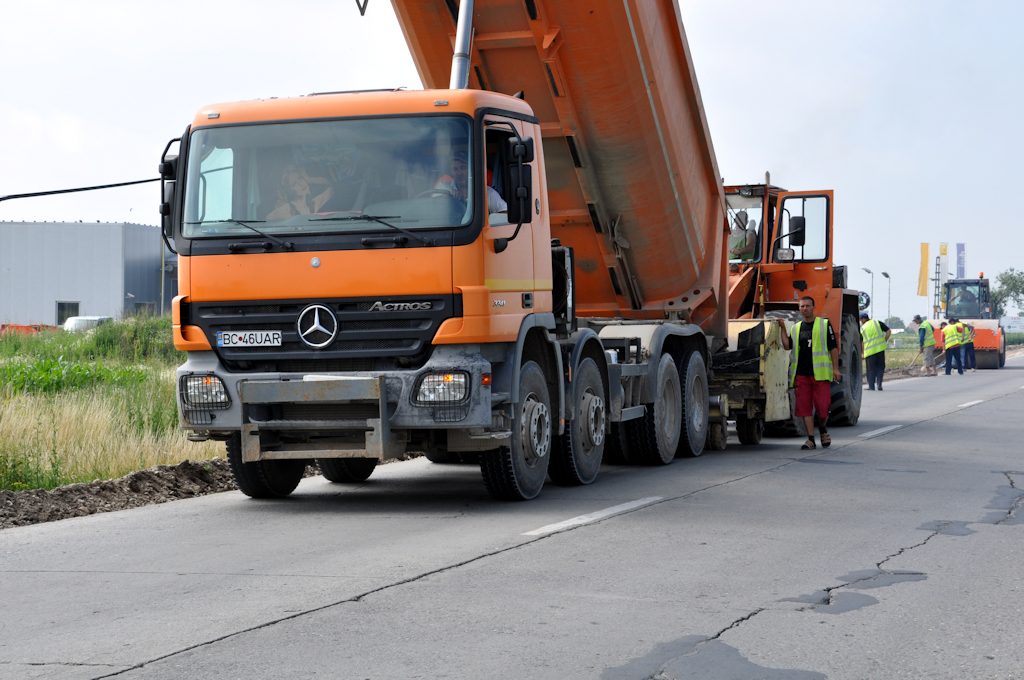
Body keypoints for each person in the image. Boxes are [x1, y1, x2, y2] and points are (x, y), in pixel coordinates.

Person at [779, 296, 841, 450]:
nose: (804, 308)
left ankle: (823, 428)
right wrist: (782, 328)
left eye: (807, 306)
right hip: (801, 375)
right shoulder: (796, 328)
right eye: (801, 306)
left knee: (822, 408)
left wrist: (835, 368)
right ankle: (811, 439)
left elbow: (833, 348)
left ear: (814, 307)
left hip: (819, 375)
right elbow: (788, 346)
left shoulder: (824, 324)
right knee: (805, 408)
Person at [434, 150, 507, 214]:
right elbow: (431, 208)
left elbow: (505, 212)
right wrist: (447, 196)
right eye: (455, 169)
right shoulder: (443, 187)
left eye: (463, 168)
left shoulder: (485, 192)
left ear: (471, 170)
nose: (459, 173)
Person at [266, 164, 334, 220]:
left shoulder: (313, 205)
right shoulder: (286, 209)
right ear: (289, 191)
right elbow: (267, 219)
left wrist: (310, 180)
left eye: (300, 178)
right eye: (294, 184)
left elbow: (333, 186)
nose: (301, 184)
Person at [860, 312, 891, 390]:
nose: (861, 321)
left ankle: (871, 386)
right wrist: (885, 340)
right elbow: (888, 331)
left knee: (870, 370)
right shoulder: (877, 323)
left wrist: (863, 353)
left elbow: (862, 342)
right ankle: (879, 385)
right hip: (880, 349)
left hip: (870, 352)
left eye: (861, 320)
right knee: (880, 368)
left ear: (864, 319)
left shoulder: (862, 328)